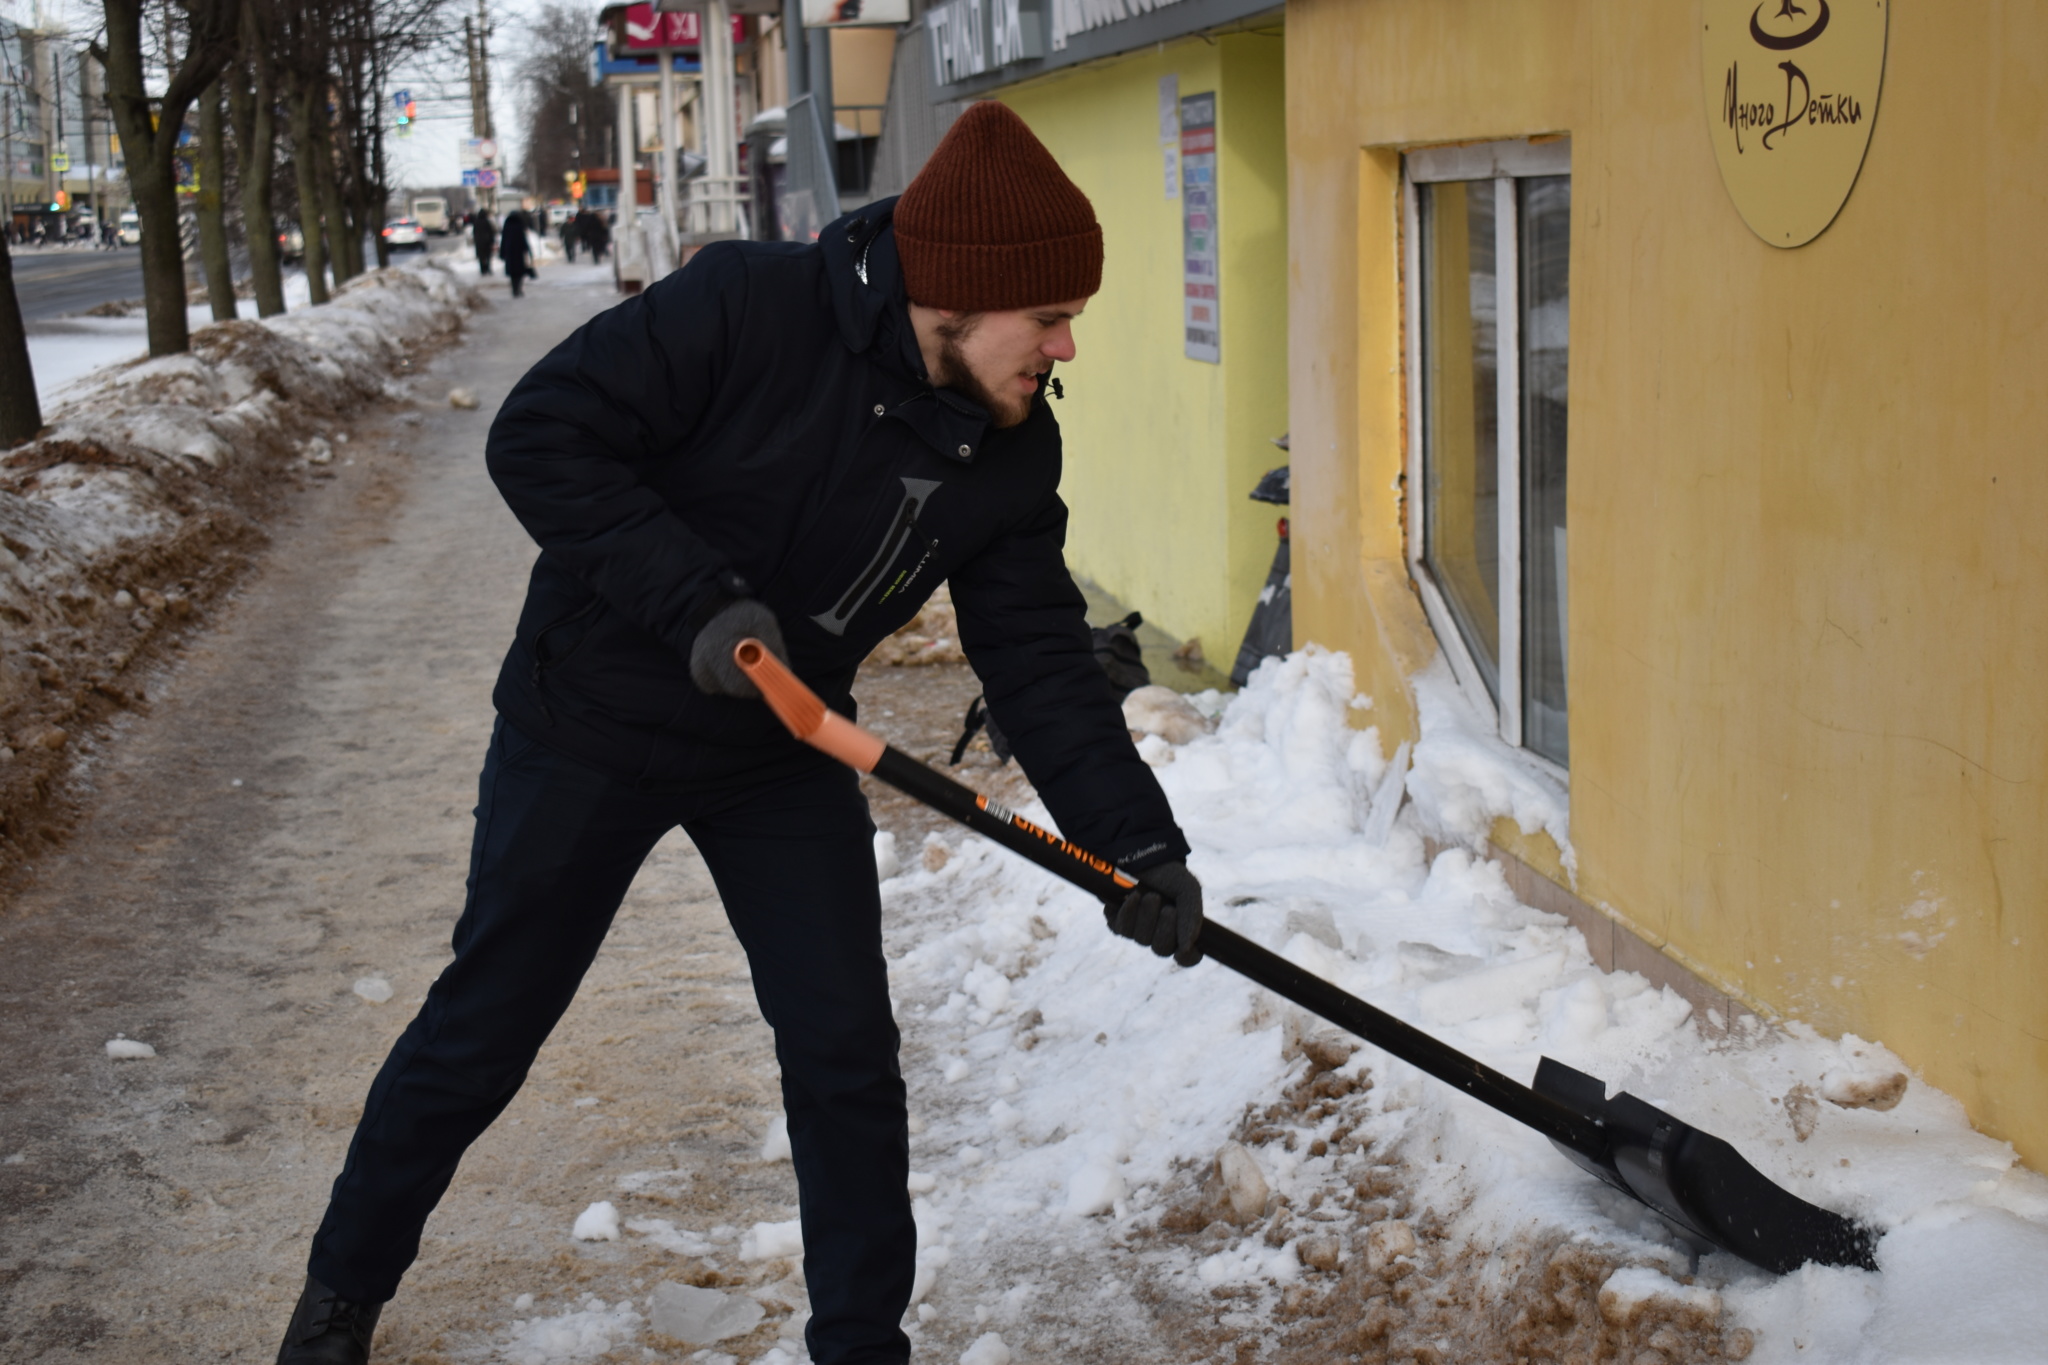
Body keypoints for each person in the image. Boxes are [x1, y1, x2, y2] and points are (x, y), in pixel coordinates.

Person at [273, 102, 1203, 1365]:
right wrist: (695, 601)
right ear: (960, 294)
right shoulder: (744, 309)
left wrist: (1132, 849)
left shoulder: (1007, 454)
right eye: (1046, 318)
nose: (1066, 346)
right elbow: (541, 434)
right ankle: (341, 1297)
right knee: (487, 1021)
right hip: (589, 718)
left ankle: (860, 1344)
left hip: (784, 745)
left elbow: (1038, 662)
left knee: (844, 1056)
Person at [498, 208, 530, 297]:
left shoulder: (507, 225)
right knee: (520, 273)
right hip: (518, 253)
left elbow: (503, 240)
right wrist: (526, 249)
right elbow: (523, 239)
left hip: (510, 253)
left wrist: (502, 252)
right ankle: (519, 289)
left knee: (512, 274)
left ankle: (514, 290)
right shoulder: (519, 224)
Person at [471, 209, 495, 277]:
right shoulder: (487, 222)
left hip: (479, 242)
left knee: (481, 256)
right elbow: (491, 232)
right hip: (487, 242)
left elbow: (474, 232)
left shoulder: (476, 222)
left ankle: (483, 269)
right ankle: (488, 268)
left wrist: (476, 240)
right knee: (488, 256)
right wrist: (492, 240)